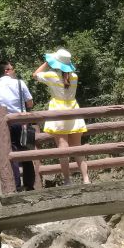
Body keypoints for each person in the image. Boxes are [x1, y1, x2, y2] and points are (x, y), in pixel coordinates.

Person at [34, 47, 89, 185]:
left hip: (58, 111)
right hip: (73, 110)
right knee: (77, 147)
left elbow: (35, 74)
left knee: (62, 147)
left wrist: (48, 62)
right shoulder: (74, 77)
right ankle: (86, 178)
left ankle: (67, 180)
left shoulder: (51, 76)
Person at [0, 60, 35, 191]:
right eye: (12, 68)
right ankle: (29, 185)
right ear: (6, 71)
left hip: (6, 125)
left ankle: (16, 186)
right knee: (27, 152)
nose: (14, 71)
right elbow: (30, 103)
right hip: (22, 122)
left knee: (11, 154)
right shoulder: (20, 83)